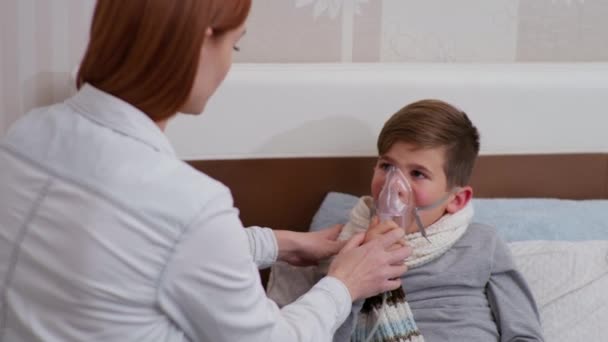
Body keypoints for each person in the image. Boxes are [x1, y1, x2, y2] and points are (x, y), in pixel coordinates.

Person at [0, 1, 411, 341]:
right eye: (234, 47)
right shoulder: (187, 202)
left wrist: (277, 244)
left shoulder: (25, 135)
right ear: (200, 43)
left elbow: (141, 249)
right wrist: (345, 284)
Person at [267, 99, 544, 342]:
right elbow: (326, 335)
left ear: (456, 200)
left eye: (418, 174)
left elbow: (524, 333)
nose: (394, 186)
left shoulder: (482, 244)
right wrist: (361, 266)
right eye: (387, 166)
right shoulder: (344, 249)